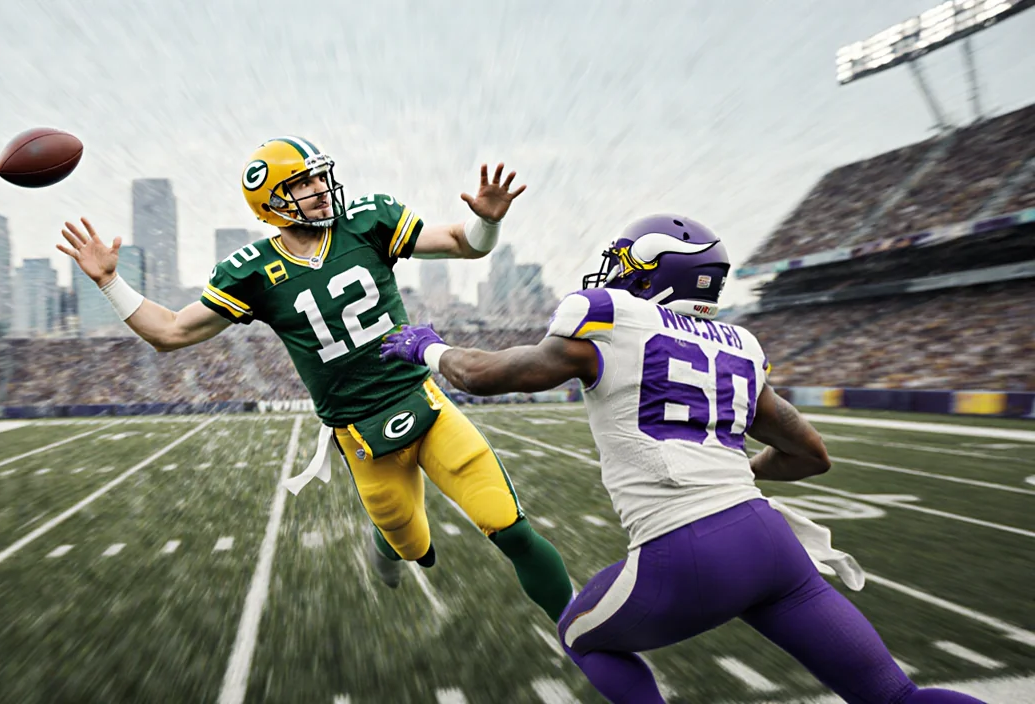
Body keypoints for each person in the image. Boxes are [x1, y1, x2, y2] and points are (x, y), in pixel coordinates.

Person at [380, 214, 985, 703]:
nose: (614, 275)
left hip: (687, 549)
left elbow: (485, 376)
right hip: (772, 544)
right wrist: (744, 472)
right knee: (895, 697)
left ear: (655, 276)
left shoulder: (611, 319)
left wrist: (428, 348)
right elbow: (810, 455)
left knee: (580, 635)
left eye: (627, 266)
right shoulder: (742, 344)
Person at [57, 136, 572, 621]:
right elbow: (170, 331)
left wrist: (485, 222)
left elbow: (463, 243)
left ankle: (582, 637)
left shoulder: (367, 221)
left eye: (320, 177)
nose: (321, 188)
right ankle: (387, 544)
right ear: (270, 202)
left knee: (510, 529)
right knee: (410, 543)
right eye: (303, 183)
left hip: (424, 402)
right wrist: (110, 281)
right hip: (359, 435)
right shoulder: (253, 271)